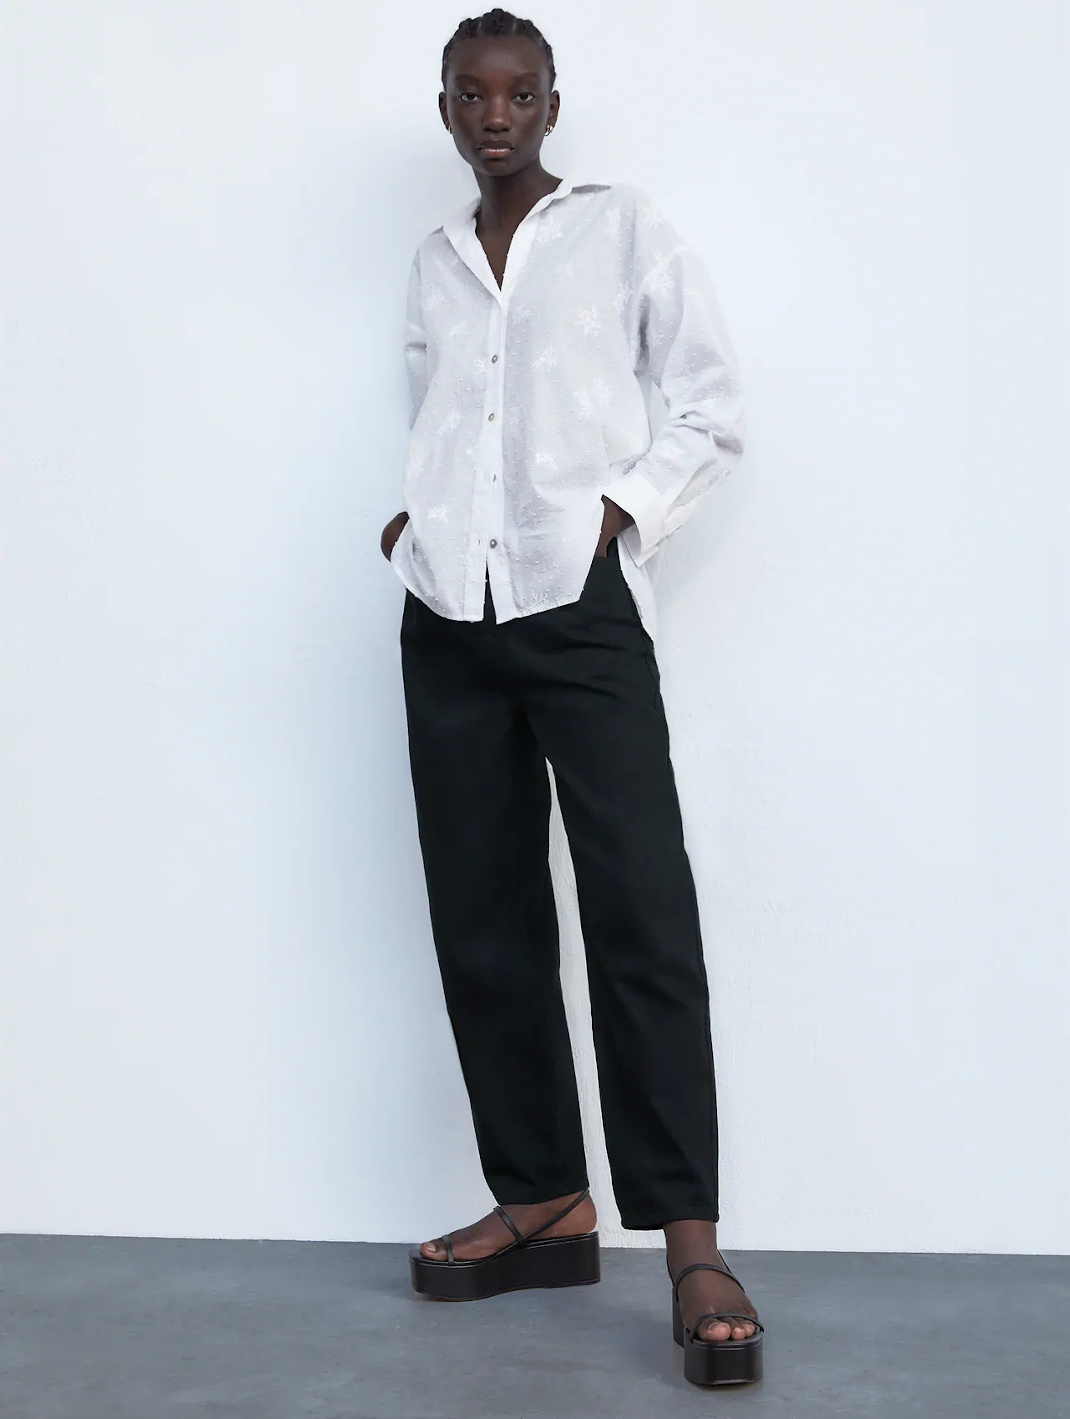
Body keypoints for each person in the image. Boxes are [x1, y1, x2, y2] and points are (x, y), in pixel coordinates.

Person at [380, 7, 763, 1387]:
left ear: (551, 103)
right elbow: (444, 416)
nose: (496, 115)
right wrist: (415, 524)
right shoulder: (431, 260)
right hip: (448, 613)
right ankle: (543, 1200)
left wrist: (615, 513)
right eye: (471, 94)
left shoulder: (620, 228)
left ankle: (691, 1243)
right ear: (445, 108)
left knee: (638, 912)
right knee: (481, 916)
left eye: (520, 93)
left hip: (580, 607)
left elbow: (709, 406)